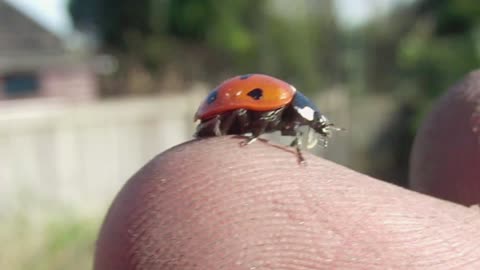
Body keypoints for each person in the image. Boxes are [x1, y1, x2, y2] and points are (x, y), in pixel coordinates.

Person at [94, 71, 480, 269]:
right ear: (305, 112)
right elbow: (251, 114)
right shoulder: (281, 99)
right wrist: (249, 138)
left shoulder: (286, 103)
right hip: (224, 121)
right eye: (314, 122)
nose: (312, 127)